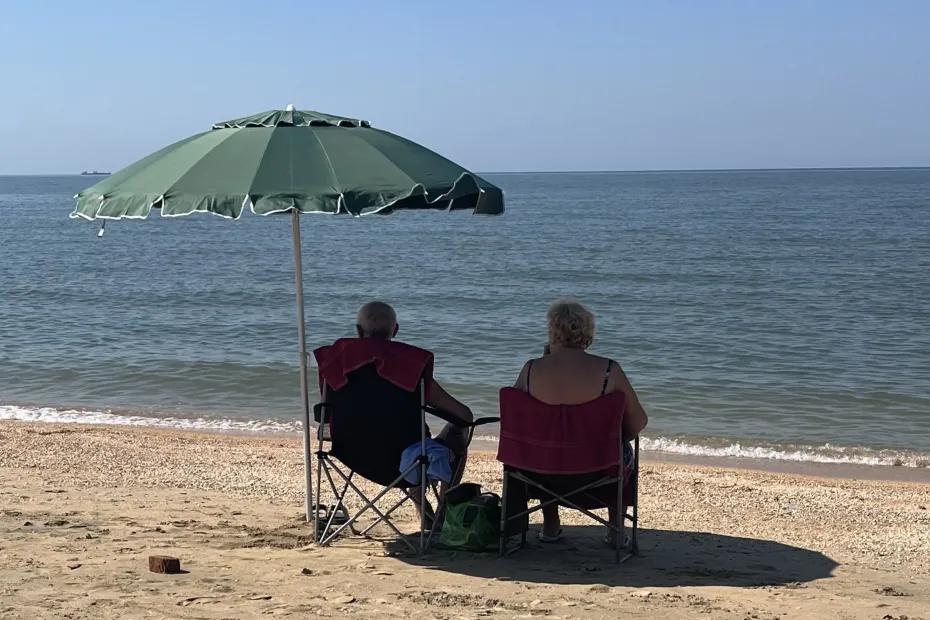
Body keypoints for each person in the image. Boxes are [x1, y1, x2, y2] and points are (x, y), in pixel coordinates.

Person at [513, 298, 648, 543]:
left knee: (548, 442)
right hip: (598, 471)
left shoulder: (531, 370)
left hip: (540, 473)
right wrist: (614, 438)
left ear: (552, 332)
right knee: (623, 450)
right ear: (587, 332)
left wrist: (547, 359)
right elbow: (638, 422)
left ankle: (551, 524)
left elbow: (517, 423)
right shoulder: (609, 371)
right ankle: (615, 530)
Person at [354, 301, 474, 518]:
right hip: (407, 463)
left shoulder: (340, 368)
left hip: (355, 455)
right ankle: (442, 515)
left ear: (358, 331)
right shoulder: (409, 368)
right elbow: (464, 415)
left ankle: (419, 497)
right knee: (459, 430)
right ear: (396, 330)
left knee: (411, 448)